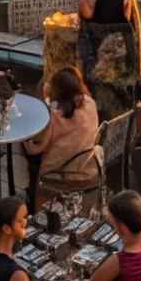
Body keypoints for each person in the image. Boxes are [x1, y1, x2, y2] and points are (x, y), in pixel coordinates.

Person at [23, 66, 99, 208]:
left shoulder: (53, 115)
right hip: (87, 170)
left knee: (30, 161)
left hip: (58, 175)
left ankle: (37, 211)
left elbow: (34, 148)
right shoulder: (91, 104)